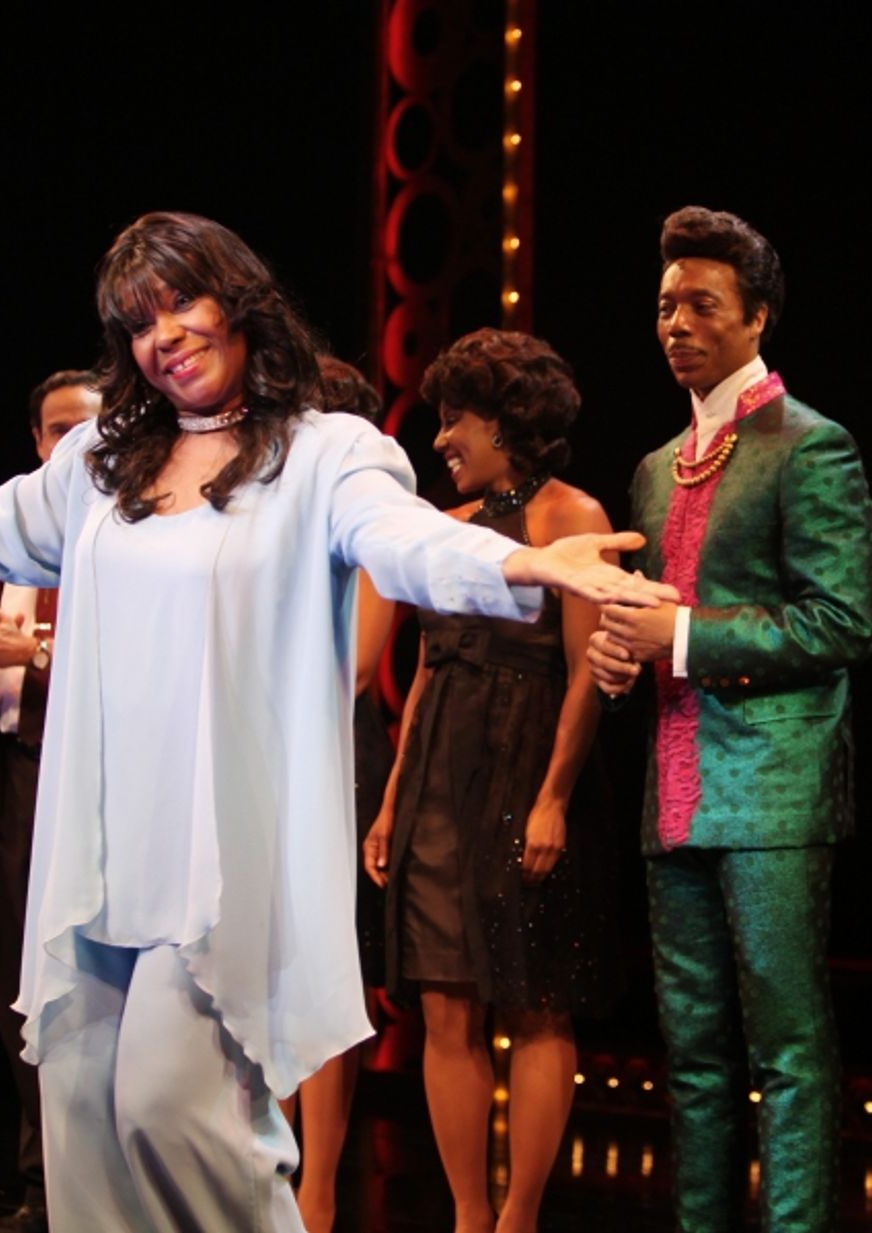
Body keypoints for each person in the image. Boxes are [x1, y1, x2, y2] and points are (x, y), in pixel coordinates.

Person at [0, 211, 671, 1233]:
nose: (166, 335)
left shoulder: (325, 452)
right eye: (140, 322)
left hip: (217, 853)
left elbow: (401, 540)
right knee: (86, 1117)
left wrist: (525, 563)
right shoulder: (103, 459)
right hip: (102, 847)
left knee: (172, 1109)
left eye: (182, 302)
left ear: (237, 303)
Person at [588, 206, 872, 1233]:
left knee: (787, 1052)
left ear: (758, 318)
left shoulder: (812, 447)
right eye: (665, 306)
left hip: (772, 786)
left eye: (702, 305)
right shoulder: (657, 467)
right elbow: (652, 622)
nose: (676, 324)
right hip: (675, 787)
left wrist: (685, 636)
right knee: (693, 1055)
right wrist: (620, 653)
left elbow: (839, 622)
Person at [363, 329, 617, 1233]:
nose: (440, 438)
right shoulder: (448, 527)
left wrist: (553, 796)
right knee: (444, 1002)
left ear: (507, 422)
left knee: (537, 998)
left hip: (524, 761)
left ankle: (520, 1218)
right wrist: (395, 796)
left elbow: (588, 670)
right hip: (438, 767)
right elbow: (429, 666)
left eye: (454, 418)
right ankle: (470, 1215)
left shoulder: (570, 518)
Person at [0, 370, 100, 1233]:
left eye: (87, 426)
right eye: (55, 430)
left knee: (91, 990)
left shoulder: (134, 536)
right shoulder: (7, 542)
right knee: (18, 989)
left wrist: (36, 652)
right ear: (38, 444)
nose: (70, 443)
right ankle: (42, 1186)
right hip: (16, 776)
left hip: (98, 789)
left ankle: (99, 1191)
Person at [279, 356, 396, 1233]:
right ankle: (260, 1167)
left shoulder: (366, 514)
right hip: (262, 754)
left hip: (328, 753)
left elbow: (356, 664)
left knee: (322, 973)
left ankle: (316, 1188)